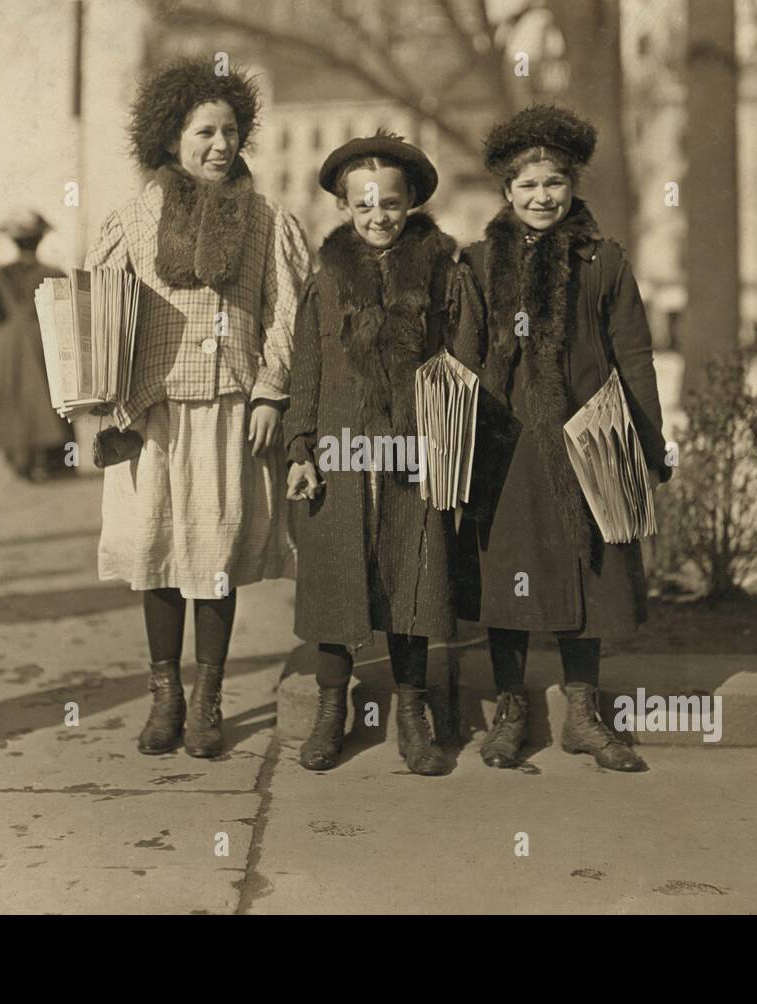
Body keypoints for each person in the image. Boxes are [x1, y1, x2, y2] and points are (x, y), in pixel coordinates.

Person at [84, 57, 311, 758]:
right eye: (204, 131)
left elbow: (285, 314)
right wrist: (96, 399)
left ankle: (209, 699)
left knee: (213, 555)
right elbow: (96, 317)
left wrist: (272, 391)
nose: (220, 145)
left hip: (229, 411)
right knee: (156, 554)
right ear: (170, 139)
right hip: (149, 413)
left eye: (230, 132)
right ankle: (165, 697)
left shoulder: (268, 222)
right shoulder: (129, 220)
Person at [454, 104, 672, 772]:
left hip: (589, 437)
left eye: (554, 183)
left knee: (590, 575)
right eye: (528, 186)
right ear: (506, 193)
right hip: (508, 445)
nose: (542, 197)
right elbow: (460, 359)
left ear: (572, 185)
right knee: (508, 577)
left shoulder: (602, 262)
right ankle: (511, 711)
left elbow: (633, 354)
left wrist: (647, 441)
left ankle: (582, 712)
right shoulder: (480, 262)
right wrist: (455, 445)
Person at [283, 131, 477, 776]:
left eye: (389, 204)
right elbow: (305, 374)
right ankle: (332, 706)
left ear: (411, 202)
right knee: (338, 575)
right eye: (363, 205)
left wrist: (447, 440)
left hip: (412, 450)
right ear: (344, 207)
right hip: (339, 452)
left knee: (412, 575)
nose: (378, 217)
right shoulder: (325, 283)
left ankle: (414, 711)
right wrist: (300, 448)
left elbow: (461, 364)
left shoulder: (443, 276)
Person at [0, 209, 74, 480]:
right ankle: (50, 460)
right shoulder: (53, 272)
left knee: (13, 397)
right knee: (47, 396)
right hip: (42, 339)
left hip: (7, 343)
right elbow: (67, 312)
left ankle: (19, 459)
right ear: (40, 241)